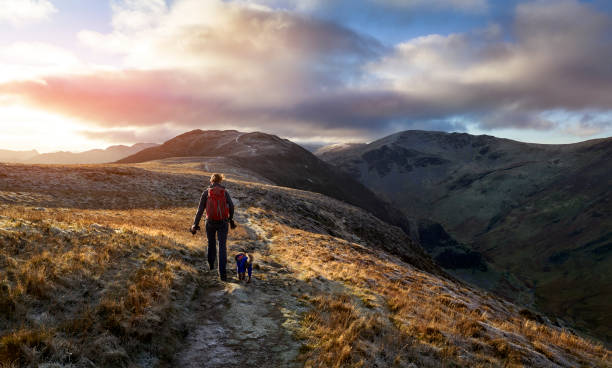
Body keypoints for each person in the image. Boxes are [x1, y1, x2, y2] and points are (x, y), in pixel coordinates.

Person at [191, 173, 236, 281]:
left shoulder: (206, 193)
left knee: (211, 243)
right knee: (222, 246)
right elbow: (232, 206)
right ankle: (223, 274)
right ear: (220, 181)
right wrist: (230, 219)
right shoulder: (224, 192)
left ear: (211, 181)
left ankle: (211, 266)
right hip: (223, 222)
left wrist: (195, 224)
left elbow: (200, 210)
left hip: (210, 222)